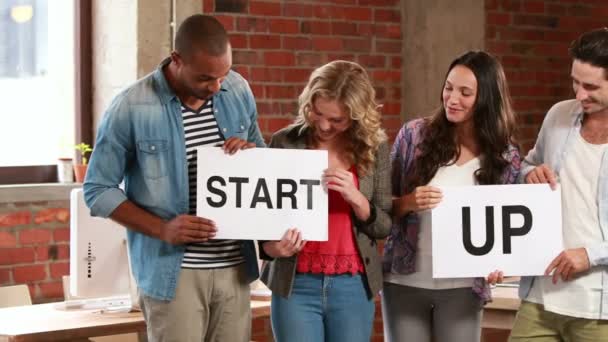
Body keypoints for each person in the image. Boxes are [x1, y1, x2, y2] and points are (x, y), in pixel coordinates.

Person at [83, 15, 265, 342]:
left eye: (223, 75)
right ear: (177, 60)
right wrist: (163, 229)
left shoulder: (237, 90)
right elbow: (98, 191)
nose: (217, 87)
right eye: (206, 78)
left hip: (235, 268)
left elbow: (264, 163)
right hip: (173, 275)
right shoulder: (131, 106)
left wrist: (250, 155)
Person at [382, 50, 521, 342]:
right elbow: (379, 209)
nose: (452, 98)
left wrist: (501, 265)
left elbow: (506, 231)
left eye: (465, 92)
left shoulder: (505, 156)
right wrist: (408, 202)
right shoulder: (413, 136)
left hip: (463, 289)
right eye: (448, 87)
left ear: (486, 99)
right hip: (404, 282)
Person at [258, 60, 392, 342]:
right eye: (317, 113)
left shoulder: (374, 148)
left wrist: (357, 199)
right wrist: (270, 248)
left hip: (353, 285)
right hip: (295, 282)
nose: (323, 125)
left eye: (336, 120)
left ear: (357, 116)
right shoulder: (285, 141)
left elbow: (384, 226)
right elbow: (262, 215)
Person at [509, 28, 608, 342]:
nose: (579, 95)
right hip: (540, 296)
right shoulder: (558, 116)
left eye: (591, 86)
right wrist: (530, 173)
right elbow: (526, 165)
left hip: (598, 309)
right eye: (575, 82)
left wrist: (590, 254)